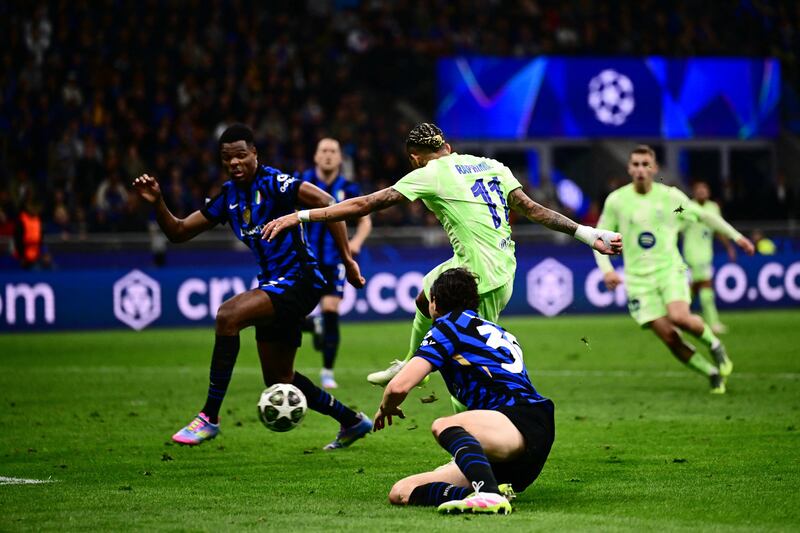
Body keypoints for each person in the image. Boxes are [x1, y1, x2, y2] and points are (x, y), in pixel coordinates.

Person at [263, 123, 622, 398]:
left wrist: (301, 216)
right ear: (447, 147)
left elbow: (364, 205)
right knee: (425, 296)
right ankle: (409, 362)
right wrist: (589, 234)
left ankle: (479, 447)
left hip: (483, 281)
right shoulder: (490, 165)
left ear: (415, 158)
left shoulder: (428, 174)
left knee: (465, 368)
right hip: (487, 265)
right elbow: (532, 209)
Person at [132, 124, 373, 449]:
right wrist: (158, 202)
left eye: (241, 155)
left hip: (301, 280)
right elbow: (177, 232)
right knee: (279, 379)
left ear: (255, 155)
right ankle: (352, 421)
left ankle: (209, 418)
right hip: (273, 285)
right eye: (227, 158)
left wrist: (347, 259)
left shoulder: (274, 182)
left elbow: (329, 201)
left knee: (227, 315)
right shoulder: (227, 197)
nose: (235, 163)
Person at [373, 268, 555, 515]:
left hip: (519, 422)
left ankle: (488, 495)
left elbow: (399, 385)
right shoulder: (499, 331)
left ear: (434, 303)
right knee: (403, 491)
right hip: (520, 436)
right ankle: (492, 491)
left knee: (444, 425)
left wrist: (387, 407)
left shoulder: (447, 327)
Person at [594, 146, 754, 394]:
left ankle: (715, 346)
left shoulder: (670, 198)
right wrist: (607, 270)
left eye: (645, 164)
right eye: (635, 164)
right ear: (629, 169)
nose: (640, 169)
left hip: (670, 270)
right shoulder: (617, 201)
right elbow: (599, 238)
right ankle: (711, 374)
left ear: (654, 168)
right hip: (638, 281)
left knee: (679, 316)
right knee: (670, 337)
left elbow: (703, 216)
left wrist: (736, 236)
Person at [299, 138, 372, 389]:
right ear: (316, 157)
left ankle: (327, 371)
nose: (328, 155)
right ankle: (312, 323)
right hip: (304, 260)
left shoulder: (348, 188)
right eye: (324, 151)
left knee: (331, 310)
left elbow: (365, 220)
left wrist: (356, 242)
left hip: (334, 260)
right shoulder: (302, 184)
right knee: (289, 313)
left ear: (340, 158)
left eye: (333, 151)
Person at [681, 180, 736, 334]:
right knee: (706, 284)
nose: (701, 192)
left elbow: (718, 228)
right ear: (694, 192)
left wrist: (729, 247)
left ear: (709, 192)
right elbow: (677, 228)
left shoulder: (713, 207)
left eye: (704, 190)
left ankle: (678, 315)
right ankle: (713, 323)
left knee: (696, 286)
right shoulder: (687, 207)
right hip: (692, 252)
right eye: (698, 190)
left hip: (706, 252)